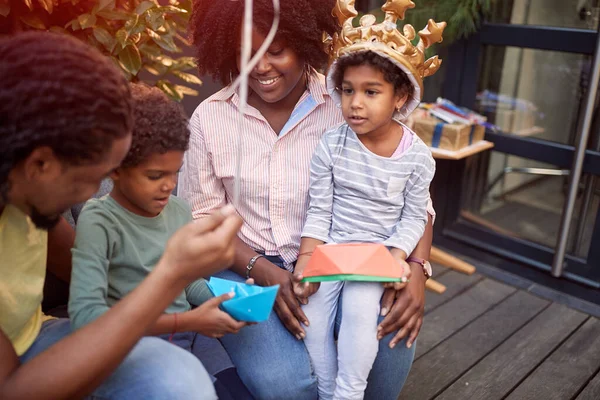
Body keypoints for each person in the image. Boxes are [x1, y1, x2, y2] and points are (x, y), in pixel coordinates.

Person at [181, 1, 434, 398]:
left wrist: (417, 268)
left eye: (277, 50)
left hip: (350, 261)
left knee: (384, 363)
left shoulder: (349, 102)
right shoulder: (210, 119)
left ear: (305, 43)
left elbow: (415, 200)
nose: (261, 66)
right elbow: (202, 219)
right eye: (247, 53)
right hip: (244, 269)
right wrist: (264, 270)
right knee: (288, 386)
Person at [0, 31, 241, 400]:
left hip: (35, 334)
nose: (95, 192)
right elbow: (12, 389)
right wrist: (169, 274)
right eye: (92, 178)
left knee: (180, 380)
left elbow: (90, 271)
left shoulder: (26, 197)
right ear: (40, 164)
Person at [69, 83, 254, 400]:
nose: (169, 186)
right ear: (115, 169)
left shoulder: (179, 210)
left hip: (190, 336)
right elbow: (87, 319)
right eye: (155, 176)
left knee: (238, 392)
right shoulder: (98, 220)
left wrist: (231, 297)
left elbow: (189, 283)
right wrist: (191, 320)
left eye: (176, 173)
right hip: (131, 346)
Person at [294, 24, 441, 397]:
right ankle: (328, 391)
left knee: (361, 314)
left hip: (376, 257)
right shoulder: (332, 144)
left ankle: (349, 392)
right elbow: (319, 209)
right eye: (348, 91)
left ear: (399, 96)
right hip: (331, 251)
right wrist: (307, 259)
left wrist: (395, 257)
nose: (355, 103)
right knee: (312, 319)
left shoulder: (417, 157)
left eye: (370, 92)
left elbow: (414, 216)